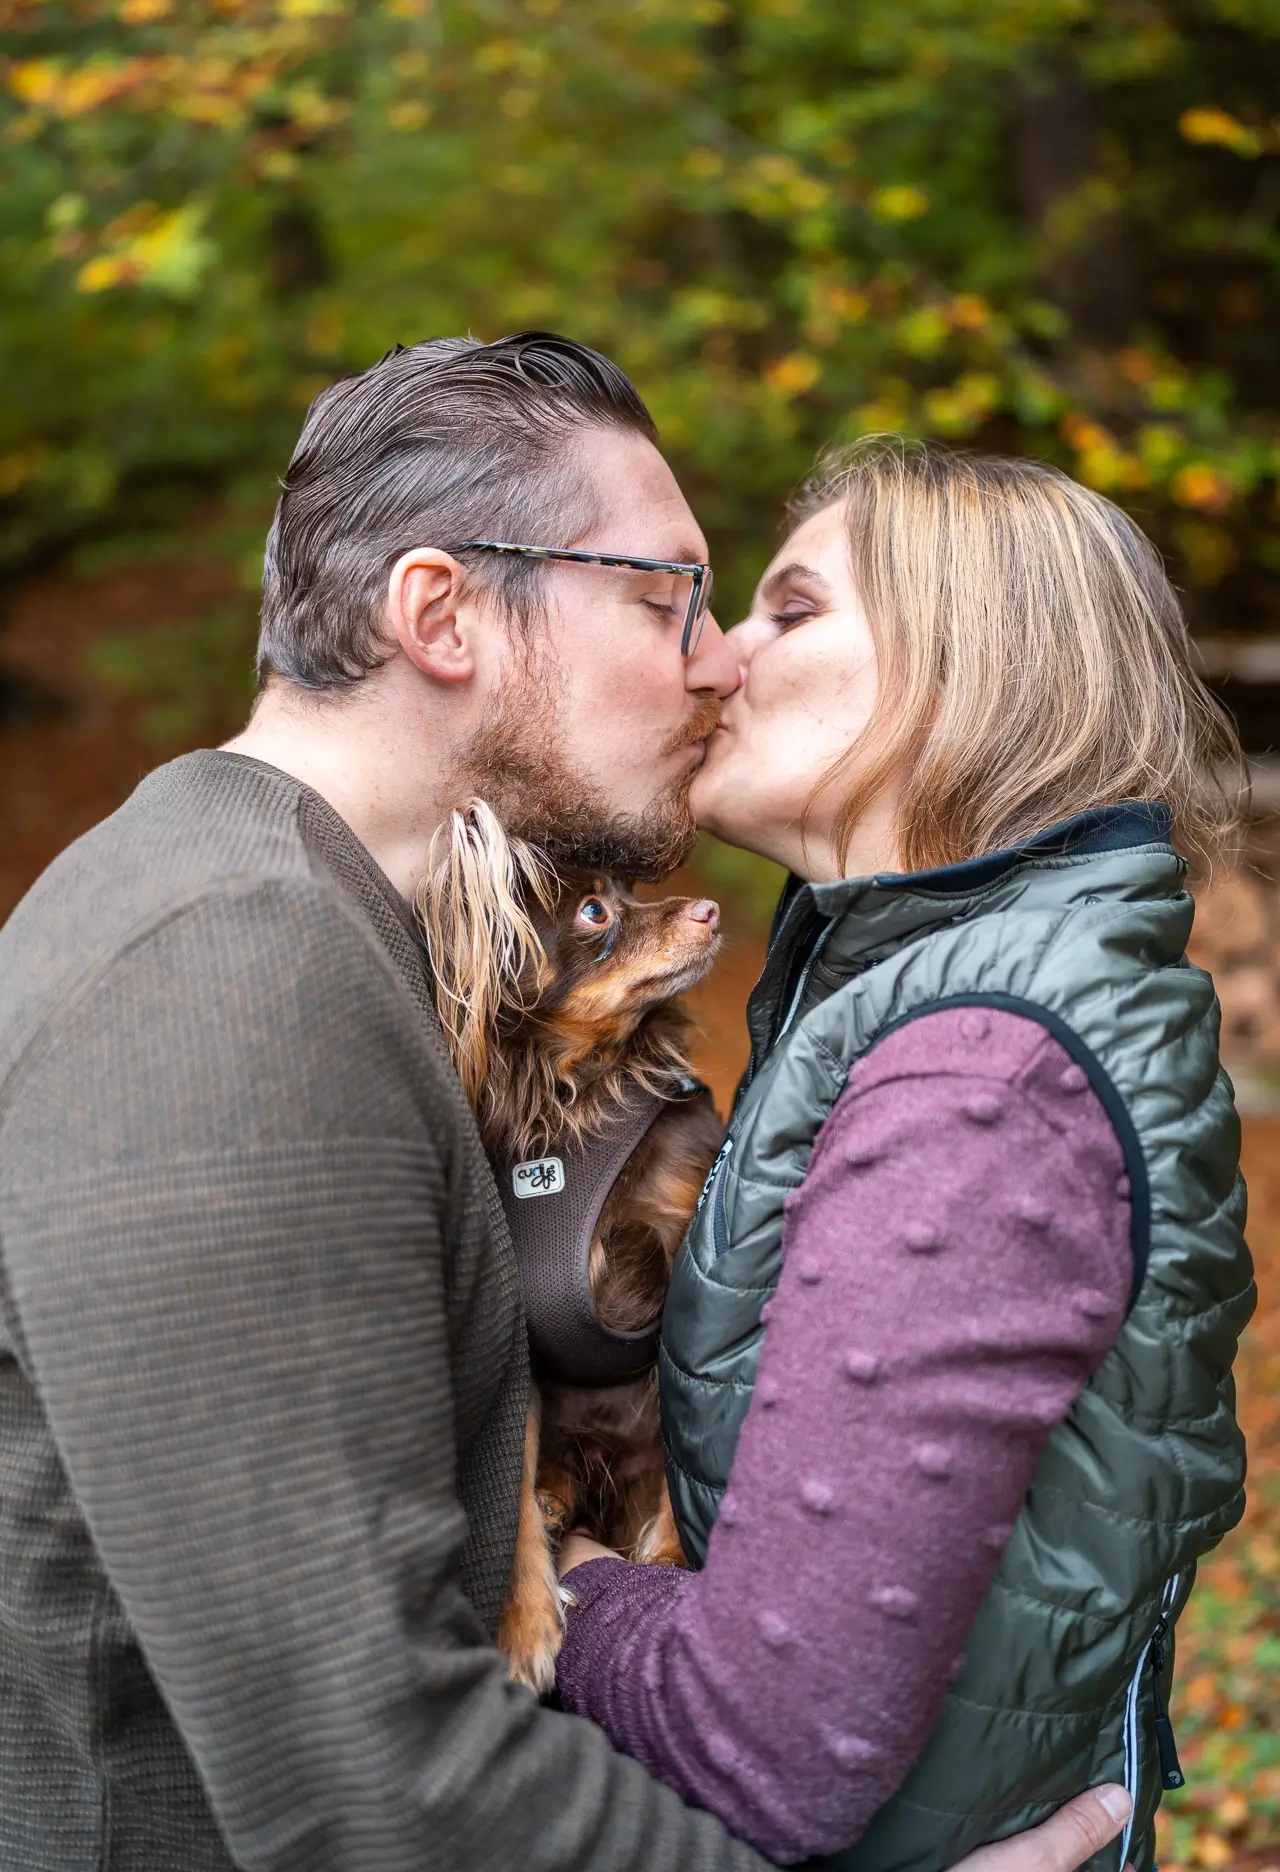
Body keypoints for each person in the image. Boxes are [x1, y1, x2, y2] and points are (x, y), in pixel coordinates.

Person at [0, 334, 1136, 1872]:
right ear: (442, 614)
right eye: (664, 595)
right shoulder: (223, 979)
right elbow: (373, 1779)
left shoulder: (311, 937)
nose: (720, 656)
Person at [552, 440, 1256, 1872]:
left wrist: (554, 1580)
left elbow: (771, 1745)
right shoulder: (964, 997)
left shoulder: (981, 1073)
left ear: (970, 664)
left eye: (790, 610)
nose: (718, 660)